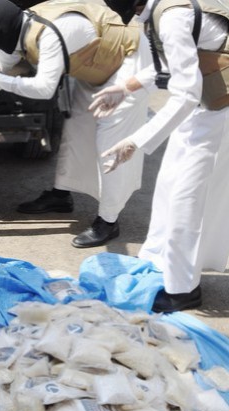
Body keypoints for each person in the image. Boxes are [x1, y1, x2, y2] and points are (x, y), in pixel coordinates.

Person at [0, 0, 151, 248]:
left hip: (130, 63)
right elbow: (2, 61)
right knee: (76, 129)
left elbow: (44, 89)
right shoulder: (21, 24)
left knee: (110, 143)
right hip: (97, 63)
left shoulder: (49, 35)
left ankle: (108, 221)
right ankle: (61, 196)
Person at [93, 0, 229, 312]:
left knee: (187, 199)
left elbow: (185, 93)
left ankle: (182, 290)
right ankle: (159, 260)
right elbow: (175, 64)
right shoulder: (166, 9)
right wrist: (125, 88)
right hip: (205, 105)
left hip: (219, 110)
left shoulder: (172, 16)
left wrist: (135, 141)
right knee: (169, 184)